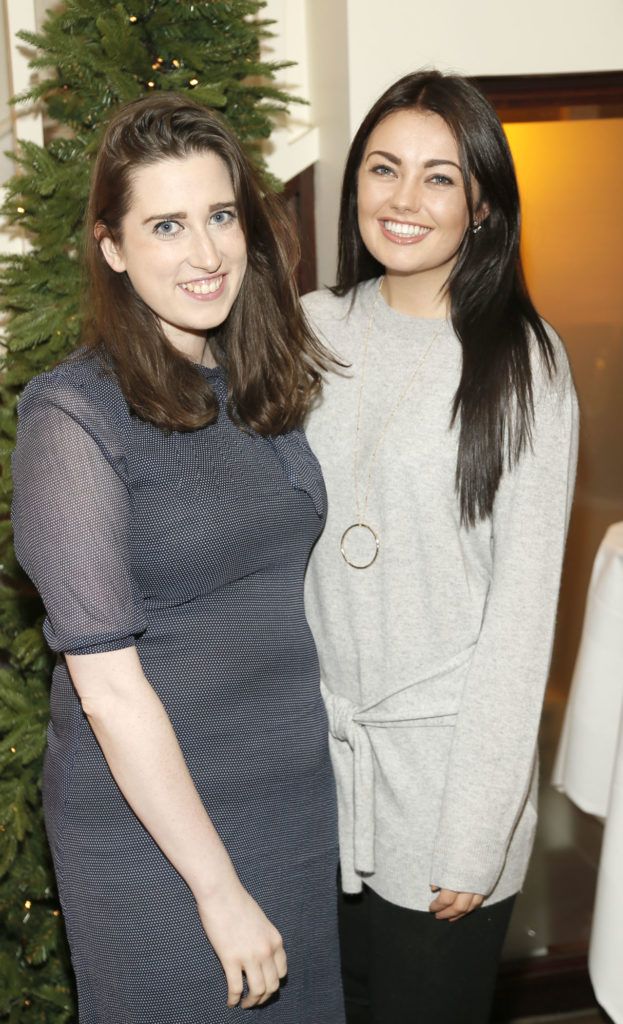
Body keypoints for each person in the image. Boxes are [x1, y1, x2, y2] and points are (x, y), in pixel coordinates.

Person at [11, 93, 345, 1024]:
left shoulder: (251, 382)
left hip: (287, 801)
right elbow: (109, 692)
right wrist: (216, 890)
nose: (205, 254)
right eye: (165, 225)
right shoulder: (72, 418)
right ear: (112, 247)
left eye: (220, 216)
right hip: (158, 842)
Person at [302, 70, 579, 1024]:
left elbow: (519, 622)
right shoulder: (309, 330)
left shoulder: (524, 364)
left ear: (483, 203)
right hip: (317, 780)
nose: (403, 200)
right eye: (383, 170)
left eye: (438, 178)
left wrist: (471, 836)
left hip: (443, 789)